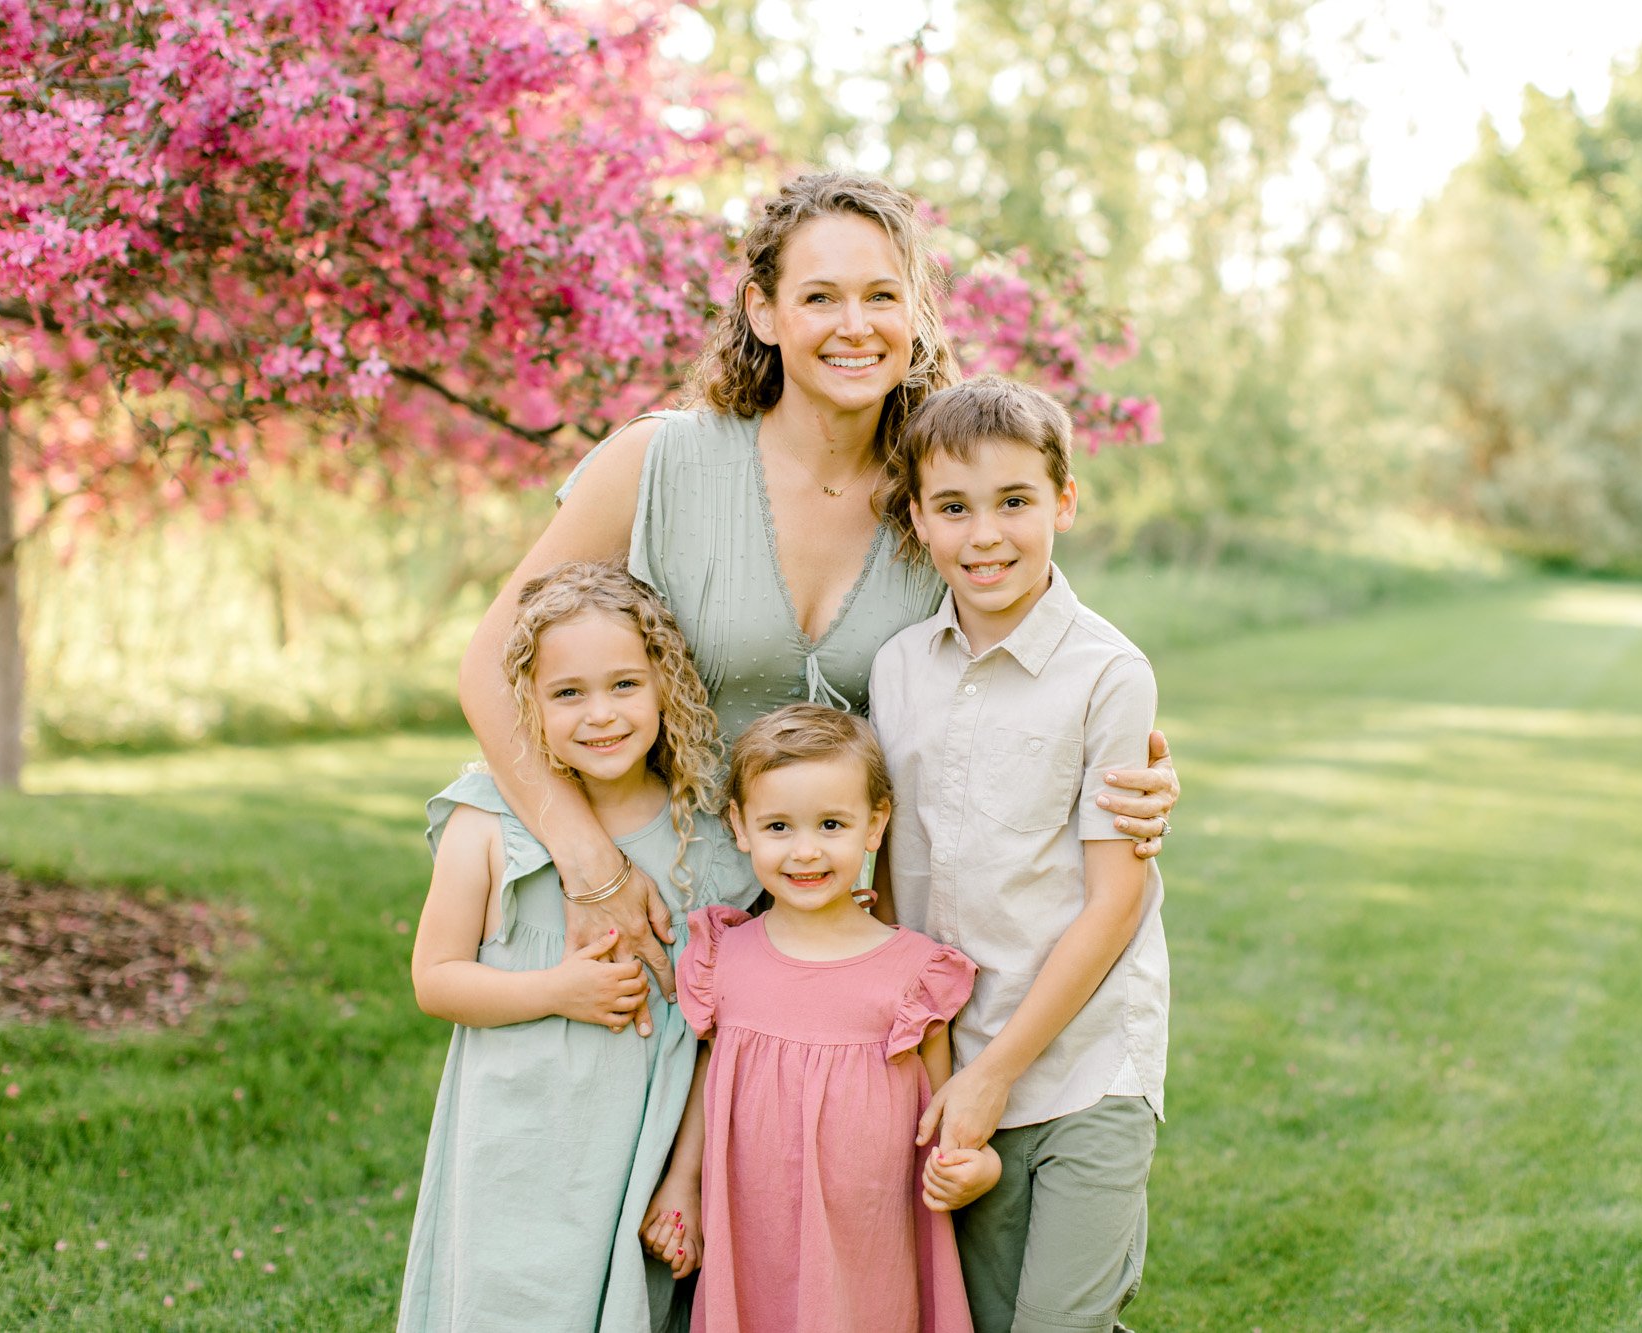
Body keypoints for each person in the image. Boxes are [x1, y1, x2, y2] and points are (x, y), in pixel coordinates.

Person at [457, 172, 1180, 1011]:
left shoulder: (940, 497)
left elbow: (1045, 667)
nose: (855, 325)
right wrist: (588, 864)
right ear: (763, 312)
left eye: (882, 295)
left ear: (914, 314)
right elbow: (489, 667)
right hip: (623, 912)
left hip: (821, 933)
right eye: (820, 297)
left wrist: (1127, 771)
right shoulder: (658, 462)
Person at [868, 377, 1172, 1333]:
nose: (985, 534)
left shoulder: (1109, 673)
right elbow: (884, 874)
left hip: (1085, 1060)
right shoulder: (898, 667)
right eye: (953, 507)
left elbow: (1114, 901)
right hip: (951, 1062)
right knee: (985, 1318)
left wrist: (998, 1069)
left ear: (1064, 502)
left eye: (1015, 502)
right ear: (917, 519)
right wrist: (956, 1065)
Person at [399, 562, 758, 1333]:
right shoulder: (486, 821)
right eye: (567, 693)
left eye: (624, 684)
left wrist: (684, 1178)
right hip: (515, 1143)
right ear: (525, 701)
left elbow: (716, 1037)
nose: (600, 714)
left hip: (637, 1150)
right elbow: (435, 978)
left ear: (665, 683)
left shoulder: (713, 843)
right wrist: (556, 990)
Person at [659, 705, 990, 1332]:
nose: (805, 850)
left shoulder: (916, 974)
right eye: (778, 825)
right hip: (755, 1234)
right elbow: (709, 1084)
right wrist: (682, 1186)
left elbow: (945, 1115)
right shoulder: (723, 958)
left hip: (871, 1242)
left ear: (875, 824)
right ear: (739, 826)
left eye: (832, 824)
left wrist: (977, 1165)